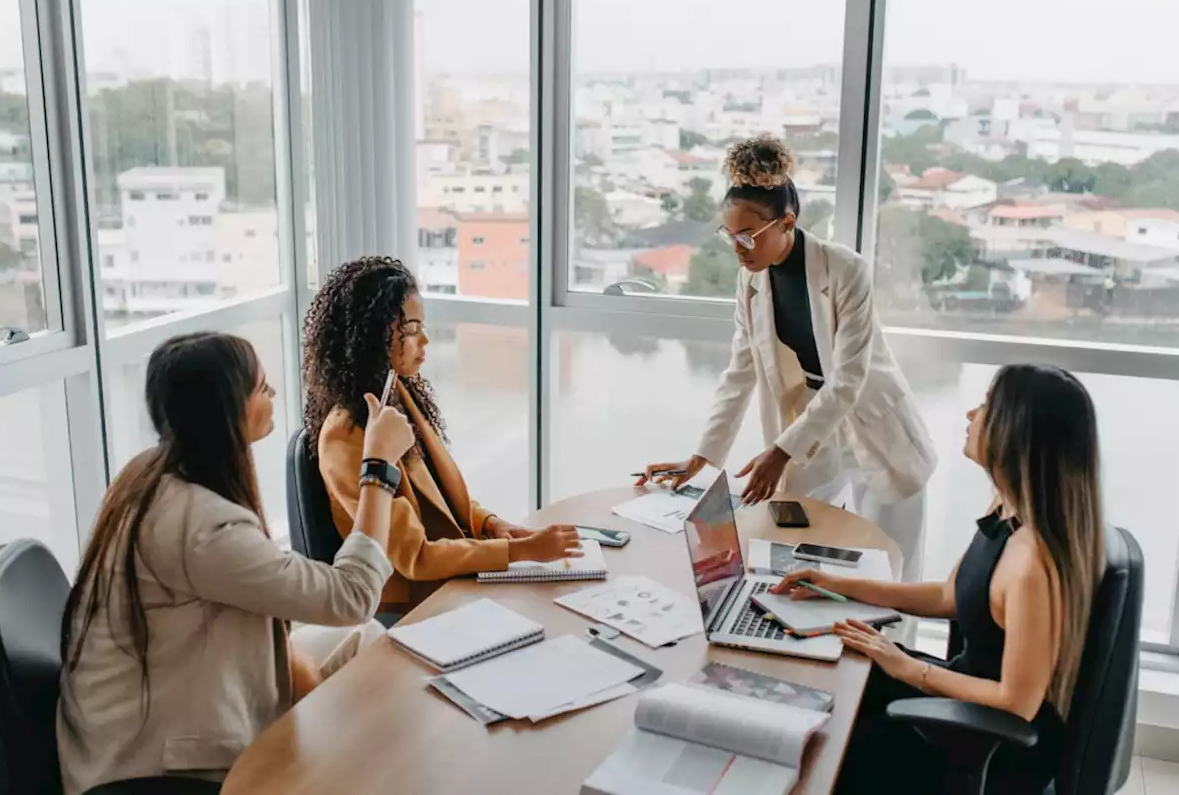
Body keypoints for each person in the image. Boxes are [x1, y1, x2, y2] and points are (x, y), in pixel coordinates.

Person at [57, 332, 413, 795]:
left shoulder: (152, 474)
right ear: (228, 411)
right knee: (364, 646)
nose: (274, 395)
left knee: (366, 643)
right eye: (262, 388)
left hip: (163, 705)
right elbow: (353, 595)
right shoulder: (202, 526)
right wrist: (378, 468)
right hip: (152, 764)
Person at [775, 364, 1105, 793]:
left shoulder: (1032, 564)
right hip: (959, 699)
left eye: (986, 406)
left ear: (1015, 433)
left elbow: (1017, 703)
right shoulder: (1005, 511)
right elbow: (948, 595)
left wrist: (908, 667)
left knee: (822, 746)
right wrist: (836, 585)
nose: (971, 414)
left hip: (988, 743)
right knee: (832, 675)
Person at [641, 133, 936, 582]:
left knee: (894, 568)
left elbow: (848, 381)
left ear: (787, 223)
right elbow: (740, 372)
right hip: (809, 428)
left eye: (748, 236)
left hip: (872, 425)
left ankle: (892, 652)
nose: (739, 249)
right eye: (730, 236)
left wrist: (779, 453)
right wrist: (701, 457)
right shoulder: (751, 281)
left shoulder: (846, 270)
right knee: (785, 543)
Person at [304, 256, 581, 615]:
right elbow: (415, 558)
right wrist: (521, 552)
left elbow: (442, 498)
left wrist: (491, 525)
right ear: (374, 335)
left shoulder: (399, 393)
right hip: (408, 606)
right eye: (412, 329)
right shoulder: (348, 434)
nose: (426, 340)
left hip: (446, 582)